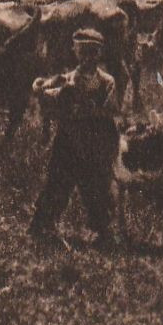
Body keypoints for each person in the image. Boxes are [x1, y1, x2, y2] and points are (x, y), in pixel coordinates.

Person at [29, 27, 119, 248]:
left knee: (97, 187)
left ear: (100, 53)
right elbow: (44, 95)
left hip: (96, 144)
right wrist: (41, 89)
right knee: (57, 184)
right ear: (75, 52)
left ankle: (102, 231)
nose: (88, 58)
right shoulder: (65, 79)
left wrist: (88, 109)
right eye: (83, 52)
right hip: (68, 142)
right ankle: (43, 226)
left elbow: (111, 109)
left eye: (93, 52)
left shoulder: (107, 82)